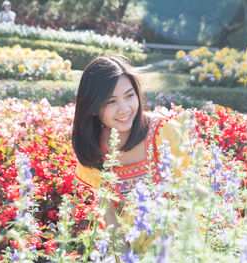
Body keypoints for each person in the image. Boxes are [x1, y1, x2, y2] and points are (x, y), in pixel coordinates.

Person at [72, 55, 194, 235]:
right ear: (93, 108)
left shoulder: (166, 133)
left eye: (129, 96)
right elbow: (110, 216)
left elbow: (190, 201)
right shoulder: (95, 148)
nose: (125, 109)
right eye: (110, 101)